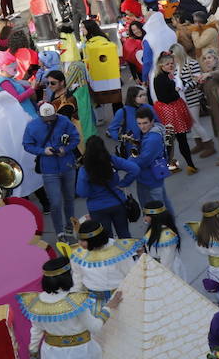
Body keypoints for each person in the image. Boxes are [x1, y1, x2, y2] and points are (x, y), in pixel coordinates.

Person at [24, 103, 80, 237]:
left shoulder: (64, 121)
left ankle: (69, 225)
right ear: (39, 115)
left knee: (69, 198)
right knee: (55, 201)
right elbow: (27, 144)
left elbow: (75, 137)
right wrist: (42, 151)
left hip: (67, 164)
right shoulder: (32, 126)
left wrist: (65, 149)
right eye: (46, 119)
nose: (49, 121)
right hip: (49, 169)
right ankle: (59, 231)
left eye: (52, 118)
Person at [75, 134, 138, 239]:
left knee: (106, 239)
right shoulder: (112, 160)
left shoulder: (85, 169)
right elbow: (134, 169)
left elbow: (82, 192)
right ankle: (130, 254)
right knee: (124, 234)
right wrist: (123, 183)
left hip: (97, 208)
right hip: (118, 203)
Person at [68, 218, 139, 307]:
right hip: (92, 301)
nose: (79, 243)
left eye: (83, 240)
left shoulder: (119, 251)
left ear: (94, 240)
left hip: (118, 299)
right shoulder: (78, 254)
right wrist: (75, 295)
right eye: (79, 239)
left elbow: (131, 275)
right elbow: (77, 275)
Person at [151, 50, 199, 176]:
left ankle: (181, 165)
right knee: (176, 140)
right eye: (167, 64)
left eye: (172, 63)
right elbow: (165, 97)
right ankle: (186, 165)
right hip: (170, 111)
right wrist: (176, 88)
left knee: (172, 140)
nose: (170, 66)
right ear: (161, 65)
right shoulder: (161, 79)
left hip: (170, 110)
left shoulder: (165, 76)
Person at [130, 106, 174, 213]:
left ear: (152, 121)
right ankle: (172, 226)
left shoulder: (152, 139)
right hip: (152, 176)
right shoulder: (154, 130)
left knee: (156, 211)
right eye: (139, 123)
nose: (142, 127)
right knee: (164, 206)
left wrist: (127, 162)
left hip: (150, 178)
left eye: (145, 123)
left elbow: (143, 160)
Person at [140, 200, 186, 280]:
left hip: (167, 271)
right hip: (156, 267)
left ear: (154, 218)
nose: (144, 218)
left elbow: (167, 261)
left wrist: (160, 276)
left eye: (146, 215)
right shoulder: (153, 229)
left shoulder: (166, 237)